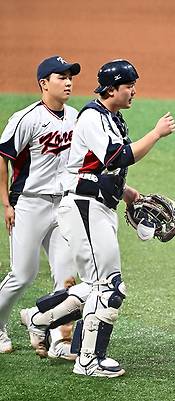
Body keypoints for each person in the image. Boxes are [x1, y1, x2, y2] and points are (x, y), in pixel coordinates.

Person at [20, 59, 175, 377]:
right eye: (129, 85)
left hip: (98, 206)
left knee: (96, 286)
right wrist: (156, 134)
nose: (134, 91)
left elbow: (99, 169)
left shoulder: (114, 119)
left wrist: (128, 192)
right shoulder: (93, 117)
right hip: (83, 207)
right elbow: (118, 156)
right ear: (112, 88)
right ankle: (88, 361)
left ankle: (39, 317)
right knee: (111, 288)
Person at [0, 56, 80, 358]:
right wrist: (6, 203)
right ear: (44, 83)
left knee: (66, 276)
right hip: (29, 205)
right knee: (22, 274)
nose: (69, 82)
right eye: (61, 77)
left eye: (70, 76)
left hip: (63, 205)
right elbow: (3, 157)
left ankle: (59, 338)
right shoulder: (26, 118)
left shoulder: (75, 116)